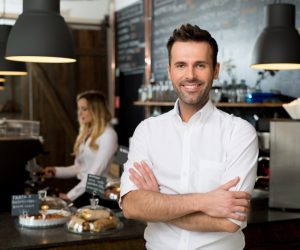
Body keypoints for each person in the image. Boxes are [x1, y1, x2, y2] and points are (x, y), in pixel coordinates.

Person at [120, 24, 258, 250]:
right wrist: (203, 201)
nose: (190, 75)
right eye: (181, 65)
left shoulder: (240, 133)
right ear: (170, 71)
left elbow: (230, 221)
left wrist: (158, 204)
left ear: (215, 70)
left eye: (200, 65)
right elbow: (131, 206)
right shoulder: (147, 130)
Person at [43, 90, 118, 207]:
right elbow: (79, 168)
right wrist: (55, 171)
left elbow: (95, 174)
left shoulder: (108, 135)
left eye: (84, 109)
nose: (80, 113)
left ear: (96, 110)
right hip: (85, 189)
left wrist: (70, 195)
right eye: (79, 109)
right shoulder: (88, 132)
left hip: (100, 194)